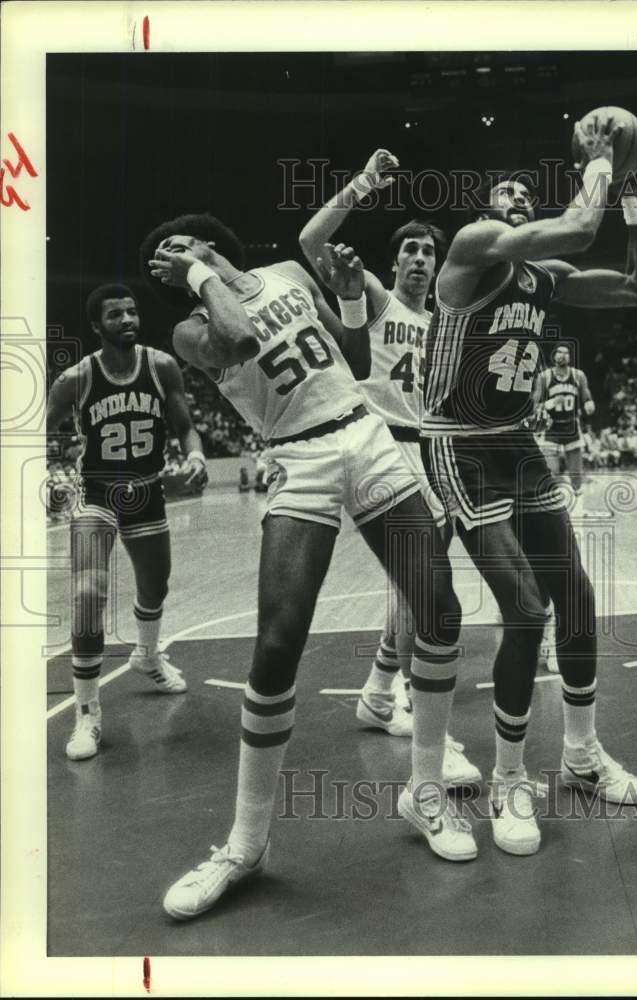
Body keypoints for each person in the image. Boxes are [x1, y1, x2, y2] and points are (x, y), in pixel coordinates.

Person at [140, 213, 472, 920]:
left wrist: (351, 296)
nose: (164, 263)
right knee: (277, 643)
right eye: (163, 262)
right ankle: (246, 844)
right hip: (299, 456)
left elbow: (353, 360)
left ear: (206, 240)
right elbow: (241, 337)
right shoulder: (190, 331)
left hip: (364, 430)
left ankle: (425, 791)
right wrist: (200, 271)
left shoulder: (289, 274)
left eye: (173, 249)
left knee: (439, 607)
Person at [421, 116, 637, 856]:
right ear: (490, 211)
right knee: (524, 610)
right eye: (504, 194)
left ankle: (582, 756)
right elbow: (580, 230)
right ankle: (509, 778)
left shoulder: (543, 278)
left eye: (526, 192)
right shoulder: (471, 247)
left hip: (517, 443)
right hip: (458, 444)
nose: (515, 199)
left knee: (576, 594)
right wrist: (601, 163)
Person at [298, 148, 479, 787]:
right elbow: (311, 238)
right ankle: (410, 702)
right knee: (423, 584)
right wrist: (366, 181)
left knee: (411, 586)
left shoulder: (444, 321)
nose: (420, 261)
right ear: (395, 260)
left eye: (429, 253)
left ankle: (379, 693)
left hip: (431, 449)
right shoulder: (373, 298)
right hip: (380, 442)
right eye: (410, 252)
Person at [46, 284, 209, 761]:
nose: (127, 319)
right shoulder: (76, 378)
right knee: (87, 594)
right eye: (115, 314)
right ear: (97, 326)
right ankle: (87, 712)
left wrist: (196, 455)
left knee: (155, 587)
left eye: (132, 311)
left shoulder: (160, 366)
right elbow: (41, 429)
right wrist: (50, 470)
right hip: (96, 494)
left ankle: (147, 655)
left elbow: (185, 427)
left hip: (148, 492)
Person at [532, 343, 595, 517]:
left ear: (569, 357)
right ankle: (554, 510)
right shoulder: (544, 377)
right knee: (550, 472)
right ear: (553, 357)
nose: (563, 355)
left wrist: (589, 404)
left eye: (566, 353)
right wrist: (551, 403)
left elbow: (586, 396)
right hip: (551, 428)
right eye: (559, 352)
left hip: (572, 427)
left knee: (576, 474)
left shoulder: (578, 375)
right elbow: (533, 405)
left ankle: (580, 510)